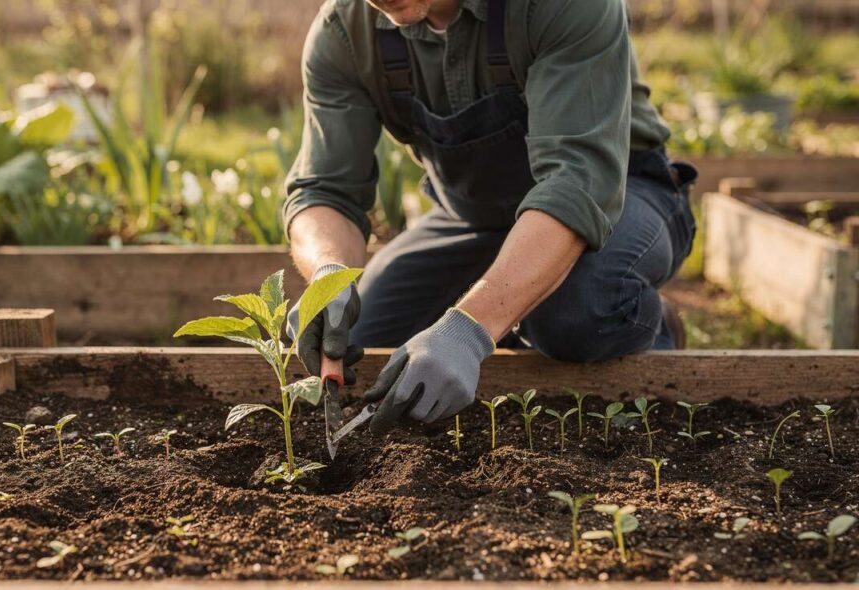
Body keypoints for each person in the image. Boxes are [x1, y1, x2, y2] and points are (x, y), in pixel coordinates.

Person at [285, 0, 697, 436]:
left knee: (576, 314)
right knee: (363, 337)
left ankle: (644, 320)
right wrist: (328, 276)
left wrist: (468, 331)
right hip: (474, 217)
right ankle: (511, 315)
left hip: (617, 198)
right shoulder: (345, 29)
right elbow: (325, 189)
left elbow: (576, 184)